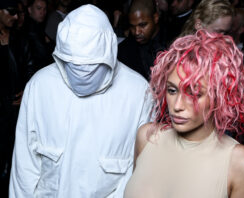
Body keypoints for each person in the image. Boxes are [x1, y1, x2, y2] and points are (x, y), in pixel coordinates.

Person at [9, 4, 152, 198]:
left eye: (92, 67)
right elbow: (24, 167)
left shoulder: (138, 93)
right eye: (74, 66)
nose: (83, 73)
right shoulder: (40, 87)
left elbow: (140, 170)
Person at [124, 30, 244, 198]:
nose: (177, 106)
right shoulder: (147, 137)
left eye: (194, 94)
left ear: (219, 95)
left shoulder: (240, 164)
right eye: (172, 90)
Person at [0, 0, 33, 196]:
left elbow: (31, 68)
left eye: (17, 13)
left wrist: (27, 90)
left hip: (16, 113)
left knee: (16, 162)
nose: (16, 17)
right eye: (11, 12)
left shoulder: (21, 39)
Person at [118, 0, 167, 80]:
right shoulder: (123, 51)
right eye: (132, 26)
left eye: (142, 25)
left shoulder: (174, 42)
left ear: (155, 18)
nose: (137, 32)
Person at [25, 0, 53, 74]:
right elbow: (44, 56)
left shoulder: (38, 27)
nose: (42, 12)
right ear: (29, 9)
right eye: (39, 8)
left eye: (44, 9)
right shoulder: (30, 29)